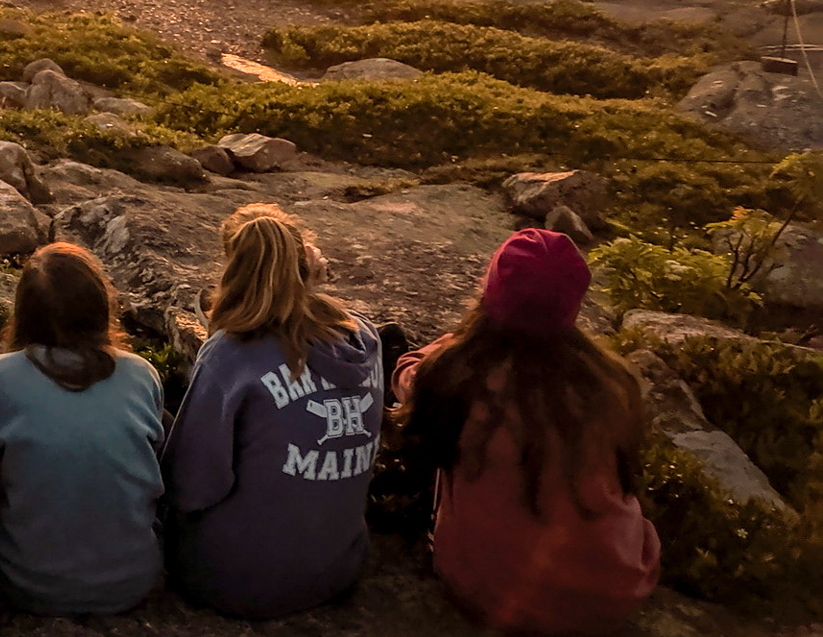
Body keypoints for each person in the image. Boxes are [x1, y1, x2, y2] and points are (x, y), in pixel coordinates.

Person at [391, 229, 658, 634]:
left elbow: (405, 375)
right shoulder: (614, 383)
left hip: (488, 593)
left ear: (491, 291)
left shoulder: (454, 379)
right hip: (617, 589)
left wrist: (451, 347)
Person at [163, 205, 383, 621]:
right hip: (338, 567)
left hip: (237, 583)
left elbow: (191, 486)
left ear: (232, 273)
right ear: (308, 267)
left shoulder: (230, 354)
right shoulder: (364, 338)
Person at [0, 243, 165, 616]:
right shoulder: (142, 375)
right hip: (133, 581)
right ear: (100, 308)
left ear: (23, 312)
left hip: (26, 583)